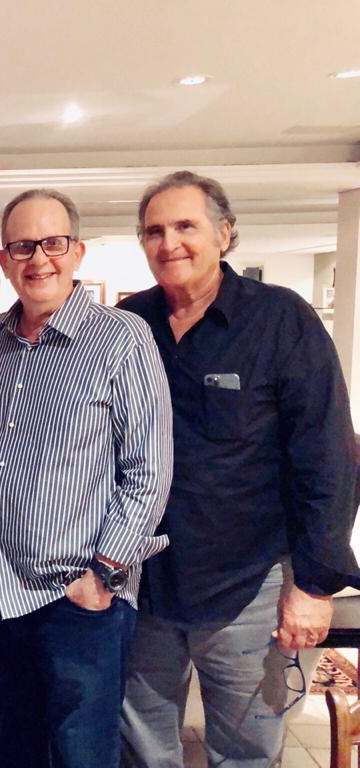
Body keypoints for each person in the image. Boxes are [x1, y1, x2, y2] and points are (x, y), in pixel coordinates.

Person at [118, 171, 358, 767]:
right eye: (154, 231)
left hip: (250, 587)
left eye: (185, 226)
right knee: (142, 751)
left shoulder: (281, 320)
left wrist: (314, 585)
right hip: (144, 584)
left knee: (246, 753)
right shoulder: (129, 323)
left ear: (224, 233)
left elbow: (327, 455)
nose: (169, 242)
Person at [0, 188, 173, 768]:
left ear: (77, 252)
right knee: (10, 750)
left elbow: (149, 472)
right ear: (3, 260)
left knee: (82, 755)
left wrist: (101, 575)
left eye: (53, 243)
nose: (39, 259)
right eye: (23, 246)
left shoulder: (122, 338)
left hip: (77, 599)